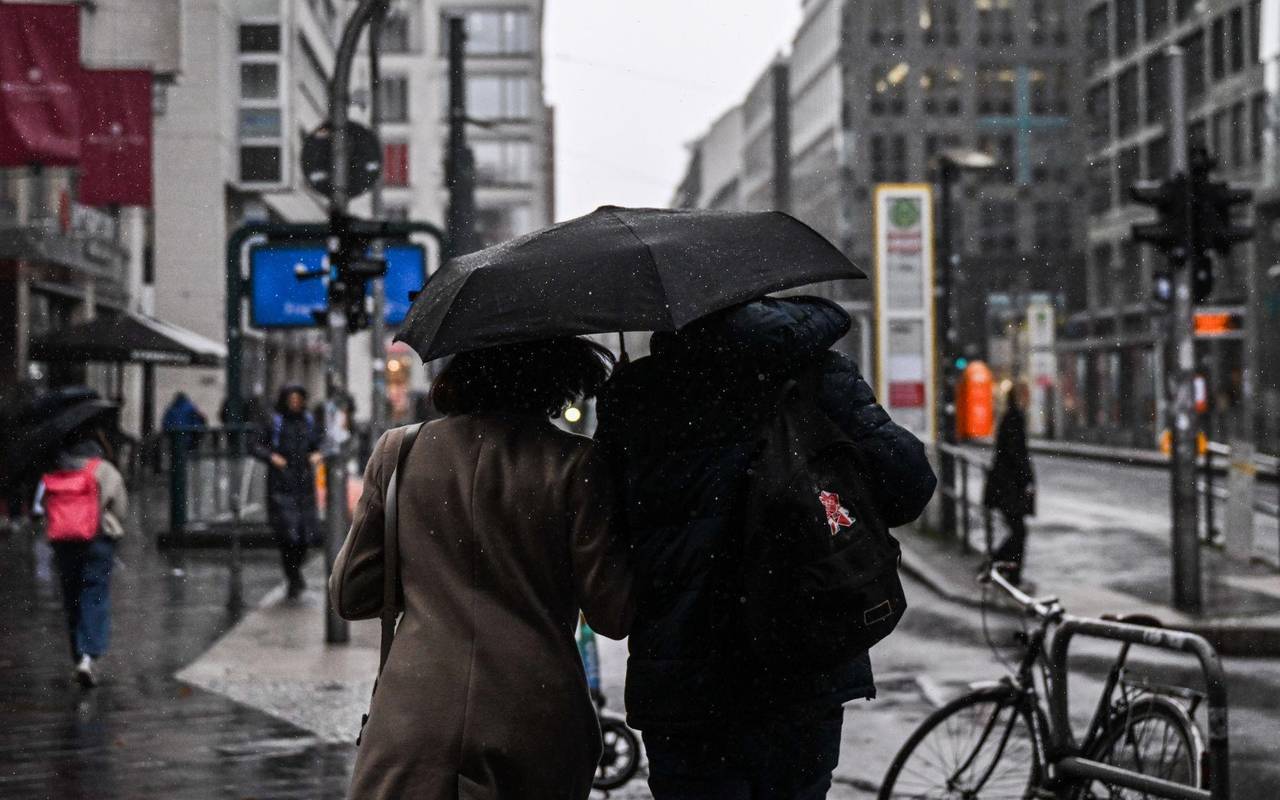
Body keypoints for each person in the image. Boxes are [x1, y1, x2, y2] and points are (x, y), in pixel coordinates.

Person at [595, 296, 937, 800]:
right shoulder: (816, 374)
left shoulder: (637, 396)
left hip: (685, 682)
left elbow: (604, 529)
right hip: (803, 659)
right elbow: (909, 483)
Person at [330, 337, 632, 800]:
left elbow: (352, 593)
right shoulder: (577, 464)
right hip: (535, 713)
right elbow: (614, 612)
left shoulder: (400, 452)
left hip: (417, 713)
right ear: (554, 378)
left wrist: (430, 574)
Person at [36, 419, 127, 688]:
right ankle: (88, 656)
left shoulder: (57, 469)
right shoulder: (104, 470)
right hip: (98, 541)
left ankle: (78, 654)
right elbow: (120, 507)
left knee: (71, 597)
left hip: (64, 542)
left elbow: (44, 506)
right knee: (94, 594)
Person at [253, 385, 323, 599]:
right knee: (288, 536)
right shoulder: (275, 422)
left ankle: (295, 573)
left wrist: (318, 454)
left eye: (298, 399)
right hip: (281, 485)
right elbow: (255, 445)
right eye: (291, 399)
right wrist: (272, 457)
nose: (294, 403)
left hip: (304, 486)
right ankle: (293, 577)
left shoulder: (309, 422)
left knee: (304, 537)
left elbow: (322, 442)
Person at [983, 381, 1036, 585]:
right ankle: (1005, 570)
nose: (1029, 398)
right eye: (1026, 394)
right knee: (1019, 531)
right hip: (1009, 487)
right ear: (1020, 396)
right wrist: (1027, 480)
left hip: (1005, 486)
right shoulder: (1015, 418)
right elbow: (1017, 454)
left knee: (1017, 530)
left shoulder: (1010, 417)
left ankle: (1001, 567)